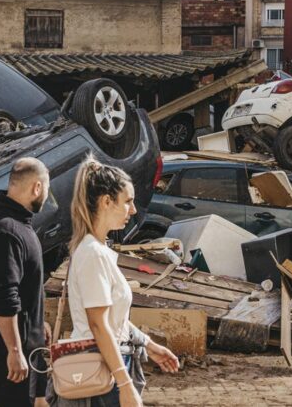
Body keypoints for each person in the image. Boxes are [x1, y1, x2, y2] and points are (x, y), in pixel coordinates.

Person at [50, 157, 180, 407]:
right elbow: (98, 325)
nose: (132, 210)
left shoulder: (98, 250)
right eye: (128, 202)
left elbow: (112, 320)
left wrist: (149, 345)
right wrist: (125, 384)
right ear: (106, 201)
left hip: (108, 366)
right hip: (100, 373)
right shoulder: (92, 253)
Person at [0, 157, 52, 407]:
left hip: (25, 344)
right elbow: (3, 295)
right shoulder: (4, 231)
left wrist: (38, 324)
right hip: (7, 350)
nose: (46, 197)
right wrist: (14, 351)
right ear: (37, 188)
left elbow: (24, 284)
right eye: (46, 190)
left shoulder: (17, 224)